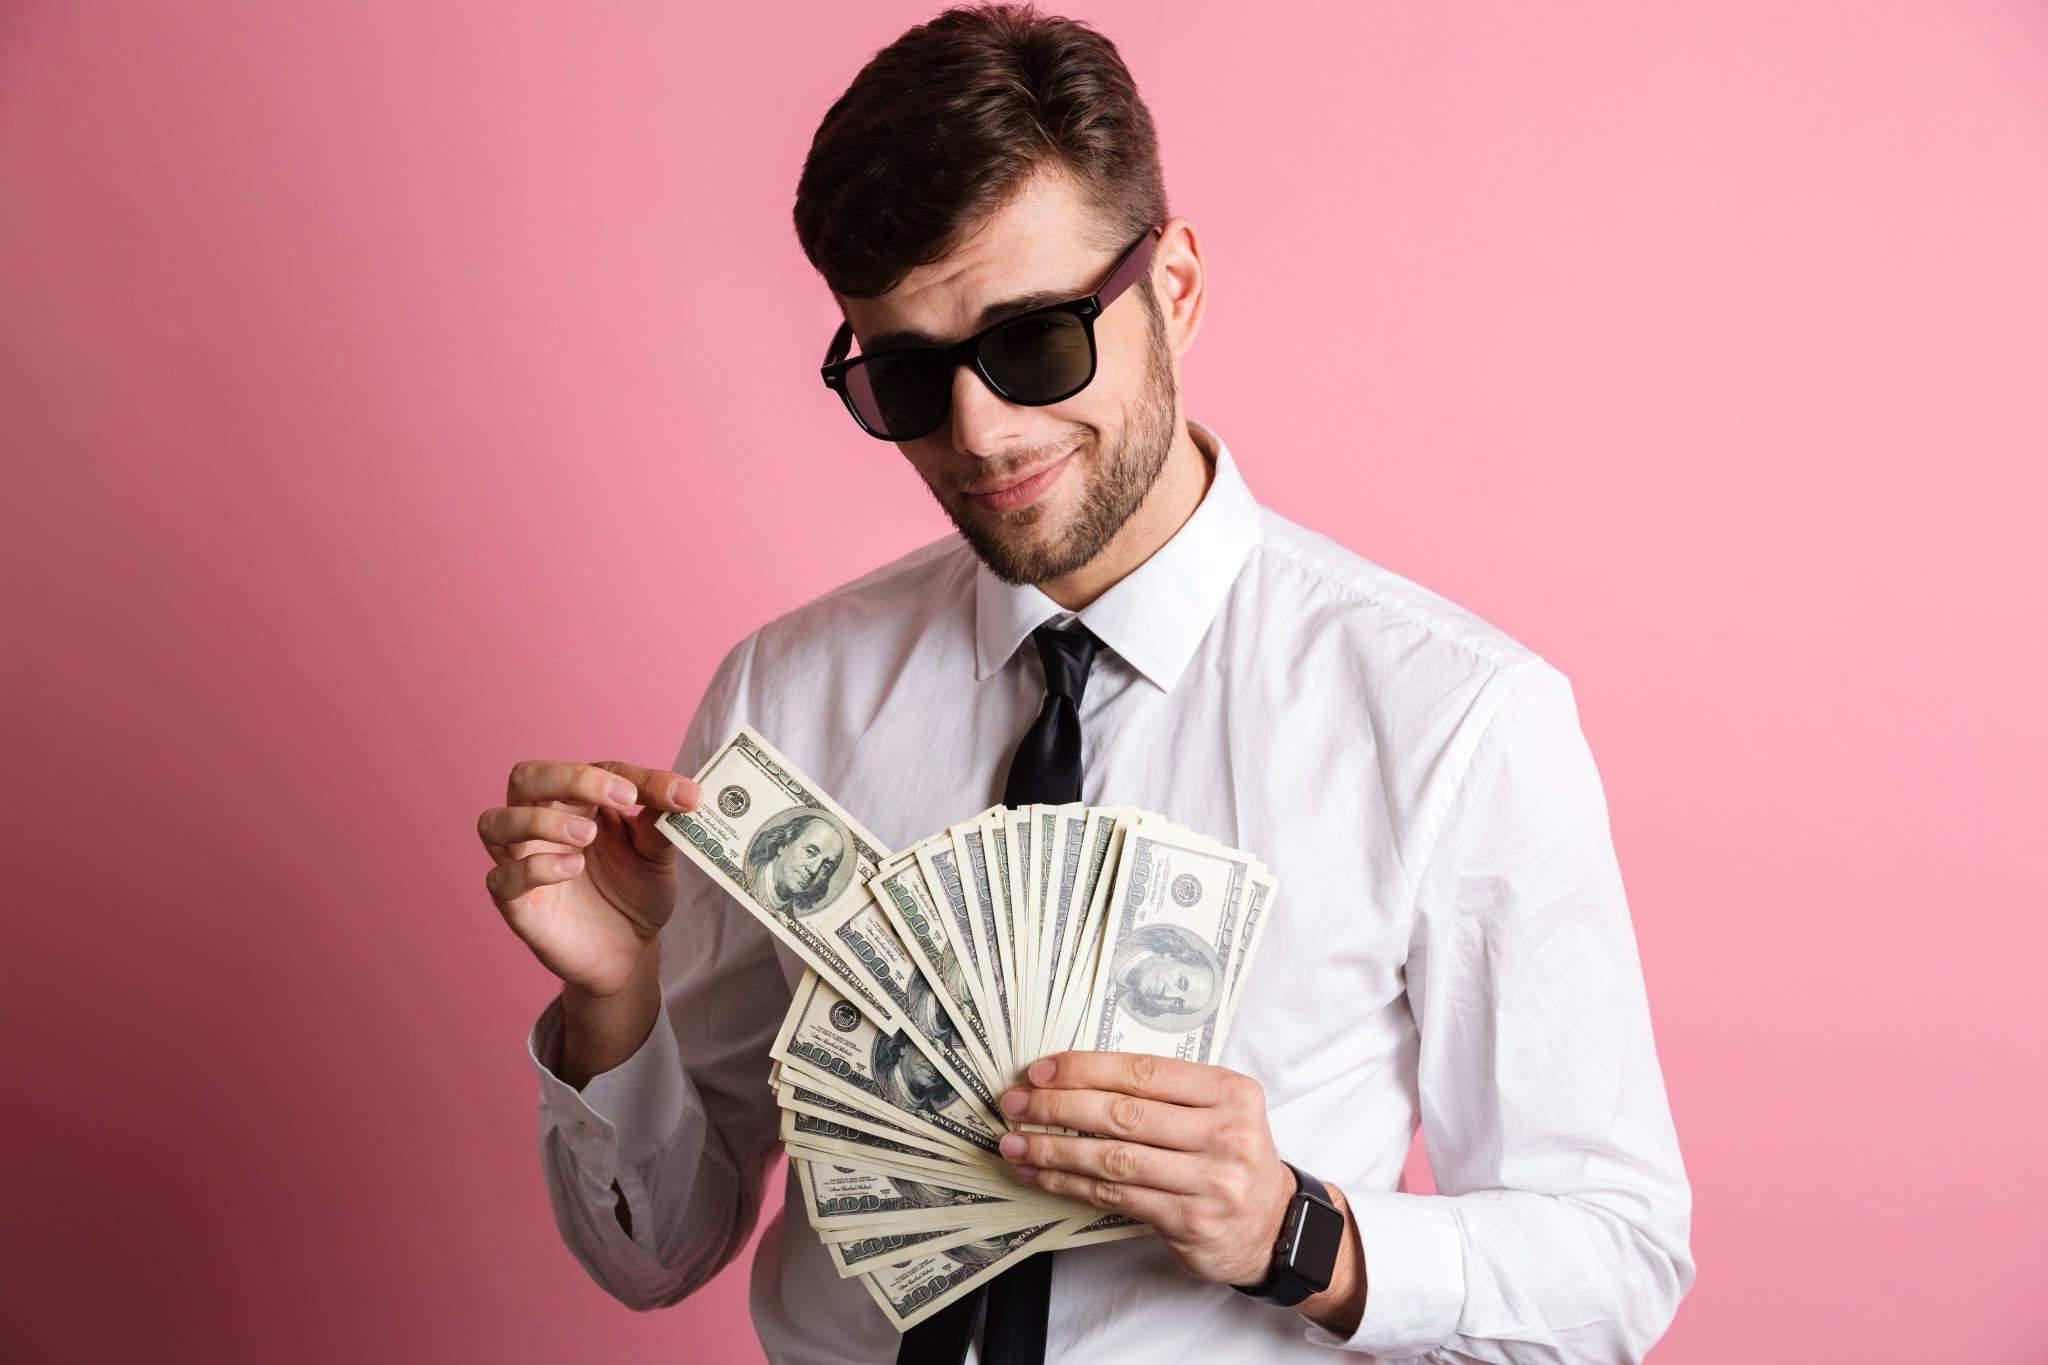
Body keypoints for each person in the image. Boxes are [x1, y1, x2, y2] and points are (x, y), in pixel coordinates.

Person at [474, 5, 1694, 1362]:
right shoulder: (787, 691)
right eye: (911, 375)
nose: (982, 433)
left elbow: (1615, 1269)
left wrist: (1303, 1232)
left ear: (1172, 287)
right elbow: (661, 1253)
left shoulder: (1451, 718)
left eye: (1036, 340)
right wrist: (614, 1001)